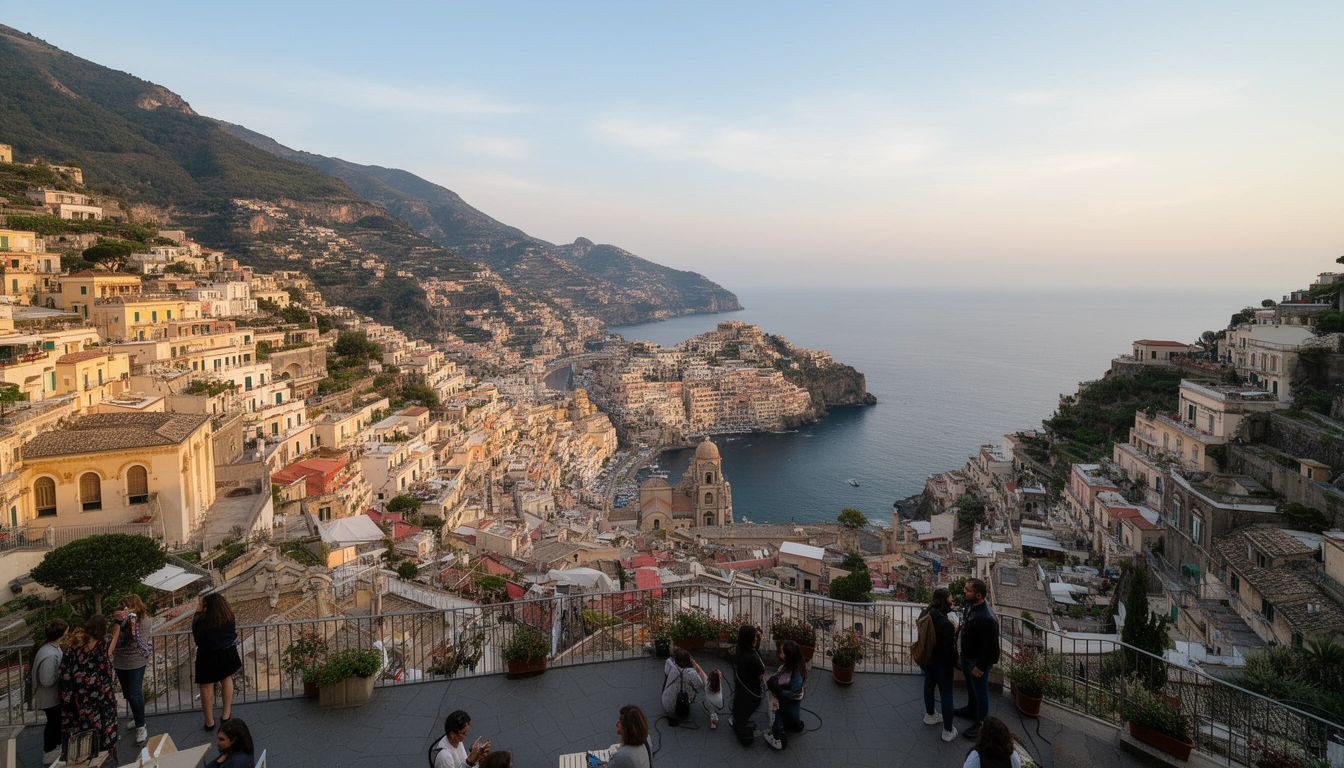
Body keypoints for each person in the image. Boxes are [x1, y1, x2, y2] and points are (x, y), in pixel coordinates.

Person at [58, 614, 119, 762]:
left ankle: (84, 758)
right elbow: (114, 639)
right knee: (105, 731)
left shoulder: (72, 649)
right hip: (102, 698)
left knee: (84, 733)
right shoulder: (103, 643)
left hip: (80, 700)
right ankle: (106, 759)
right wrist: (119, 622)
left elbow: (64, 676)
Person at [955, 578, 1001, 740]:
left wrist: (980, 666)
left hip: (977, 662)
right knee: (971, 686)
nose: (964, 592)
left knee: (981, 692)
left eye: (968, 590)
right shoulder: (971, 607)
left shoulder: (988, 617)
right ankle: (971, 709)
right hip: (968, 657)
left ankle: (982, 724)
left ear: (979, 594)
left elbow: (991, 646)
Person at [193, 593, 242, 730]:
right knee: (226, 680)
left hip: (207, 656)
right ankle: (226, 715)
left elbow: (196, 635)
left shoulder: (204, 623)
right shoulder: (228, 618)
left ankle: (209, 722)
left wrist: (197, 614)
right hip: (227, 652)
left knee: (206, 687)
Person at [111, 594, 152, 745]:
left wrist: (125, 620)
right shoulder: (121, 620)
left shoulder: (144, 620)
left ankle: (141, 726)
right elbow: (114, 638)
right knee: (128, 693)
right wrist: (118, 621)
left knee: (135, 693)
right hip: (120, 661)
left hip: (136, 661)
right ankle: (137, 717)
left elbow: (131, 639)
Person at [921, 588, 960, 742]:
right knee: (946, 694)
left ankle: (930, 715)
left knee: (929, 686)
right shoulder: (946, 623)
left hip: (928, 659)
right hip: (943, 663)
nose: (952, 603)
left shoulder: (925, 614)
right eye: (951, 600)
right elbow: (949, 649)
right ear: (945, 602)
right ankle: (948, 730)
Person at [33, 618, 68, 765]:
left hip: (51, 697)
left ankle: (54, 748)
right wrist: (63, 674)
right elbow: (46, 680)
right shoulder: (50, 655)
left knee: (55, 722)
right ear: (61, 633)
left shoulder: (49, 649)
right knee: (53, 723)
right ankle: (49, 750)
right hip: (50, 697)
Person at [764, 640, 806, 750]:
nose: (780, 653)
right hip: (791, 703)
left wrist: (779, 690)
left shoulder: (793, 673)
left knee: (780, 716)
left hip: (786, 700)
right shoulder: (796, 667)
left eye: (782, 652)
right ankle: (795, 723)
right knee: (792, 716)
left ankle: (777, 739)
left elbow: (793, 691)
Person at [730, 624, 766, 745]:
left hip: (742, 688)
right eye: (754, 637)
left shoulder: (740, 651)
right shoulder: (751, 657)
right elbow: (761, 669)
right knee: (746, 710)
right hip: (752, 691)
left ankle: (739, 720)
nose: (756, 638)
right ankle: (741, 724)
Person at [661, 648, 706, 724]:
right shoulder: (691, 673)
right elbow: (700, 685)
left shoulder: (671, 666)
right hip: (681, 706)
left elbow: (666, 672)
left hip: (666, 703)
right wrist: (696, 667)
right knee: (691, 687)